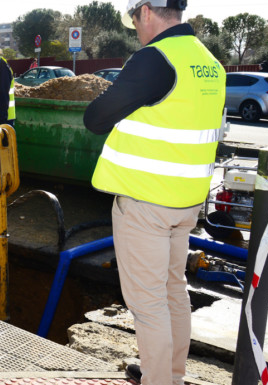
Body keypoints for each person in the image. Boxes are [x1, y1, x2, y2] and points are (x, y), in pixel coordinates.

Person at [83, 0, 226, 384]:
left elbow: (95, 118)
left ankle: (159, 379)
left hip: (147, 202)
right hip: (186, 202)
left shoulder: (155, 58)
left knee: (148, 306)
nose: (136, 30)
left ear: (145, 11)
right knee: (173, 292)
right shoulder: (208, 61)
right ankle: (171, 374)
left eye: (133, 21)